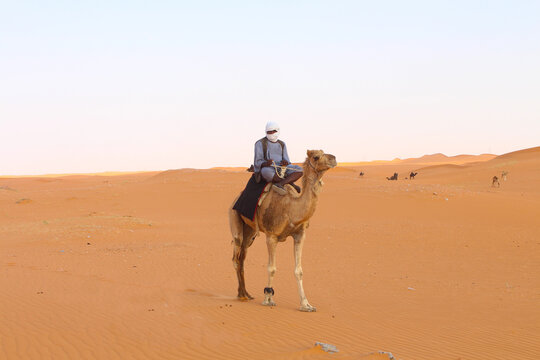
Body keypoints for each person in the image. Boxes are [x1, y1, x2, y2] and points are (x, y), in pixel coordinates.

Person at [253, 122, 303, 193]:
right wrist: (265, 163)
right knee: (266, 172)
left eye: (273, 131)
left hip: (282, 168)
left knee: (300, 170)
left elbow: (287, 160)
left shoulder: (282, 144)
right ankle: (290, 183)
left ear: (277, 131)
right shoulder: (260, 143)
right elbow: (257, 162)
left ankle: (280, 184)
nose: (271, 134)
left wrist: (285, 162)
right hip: (269, 168)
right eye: (269, 132)